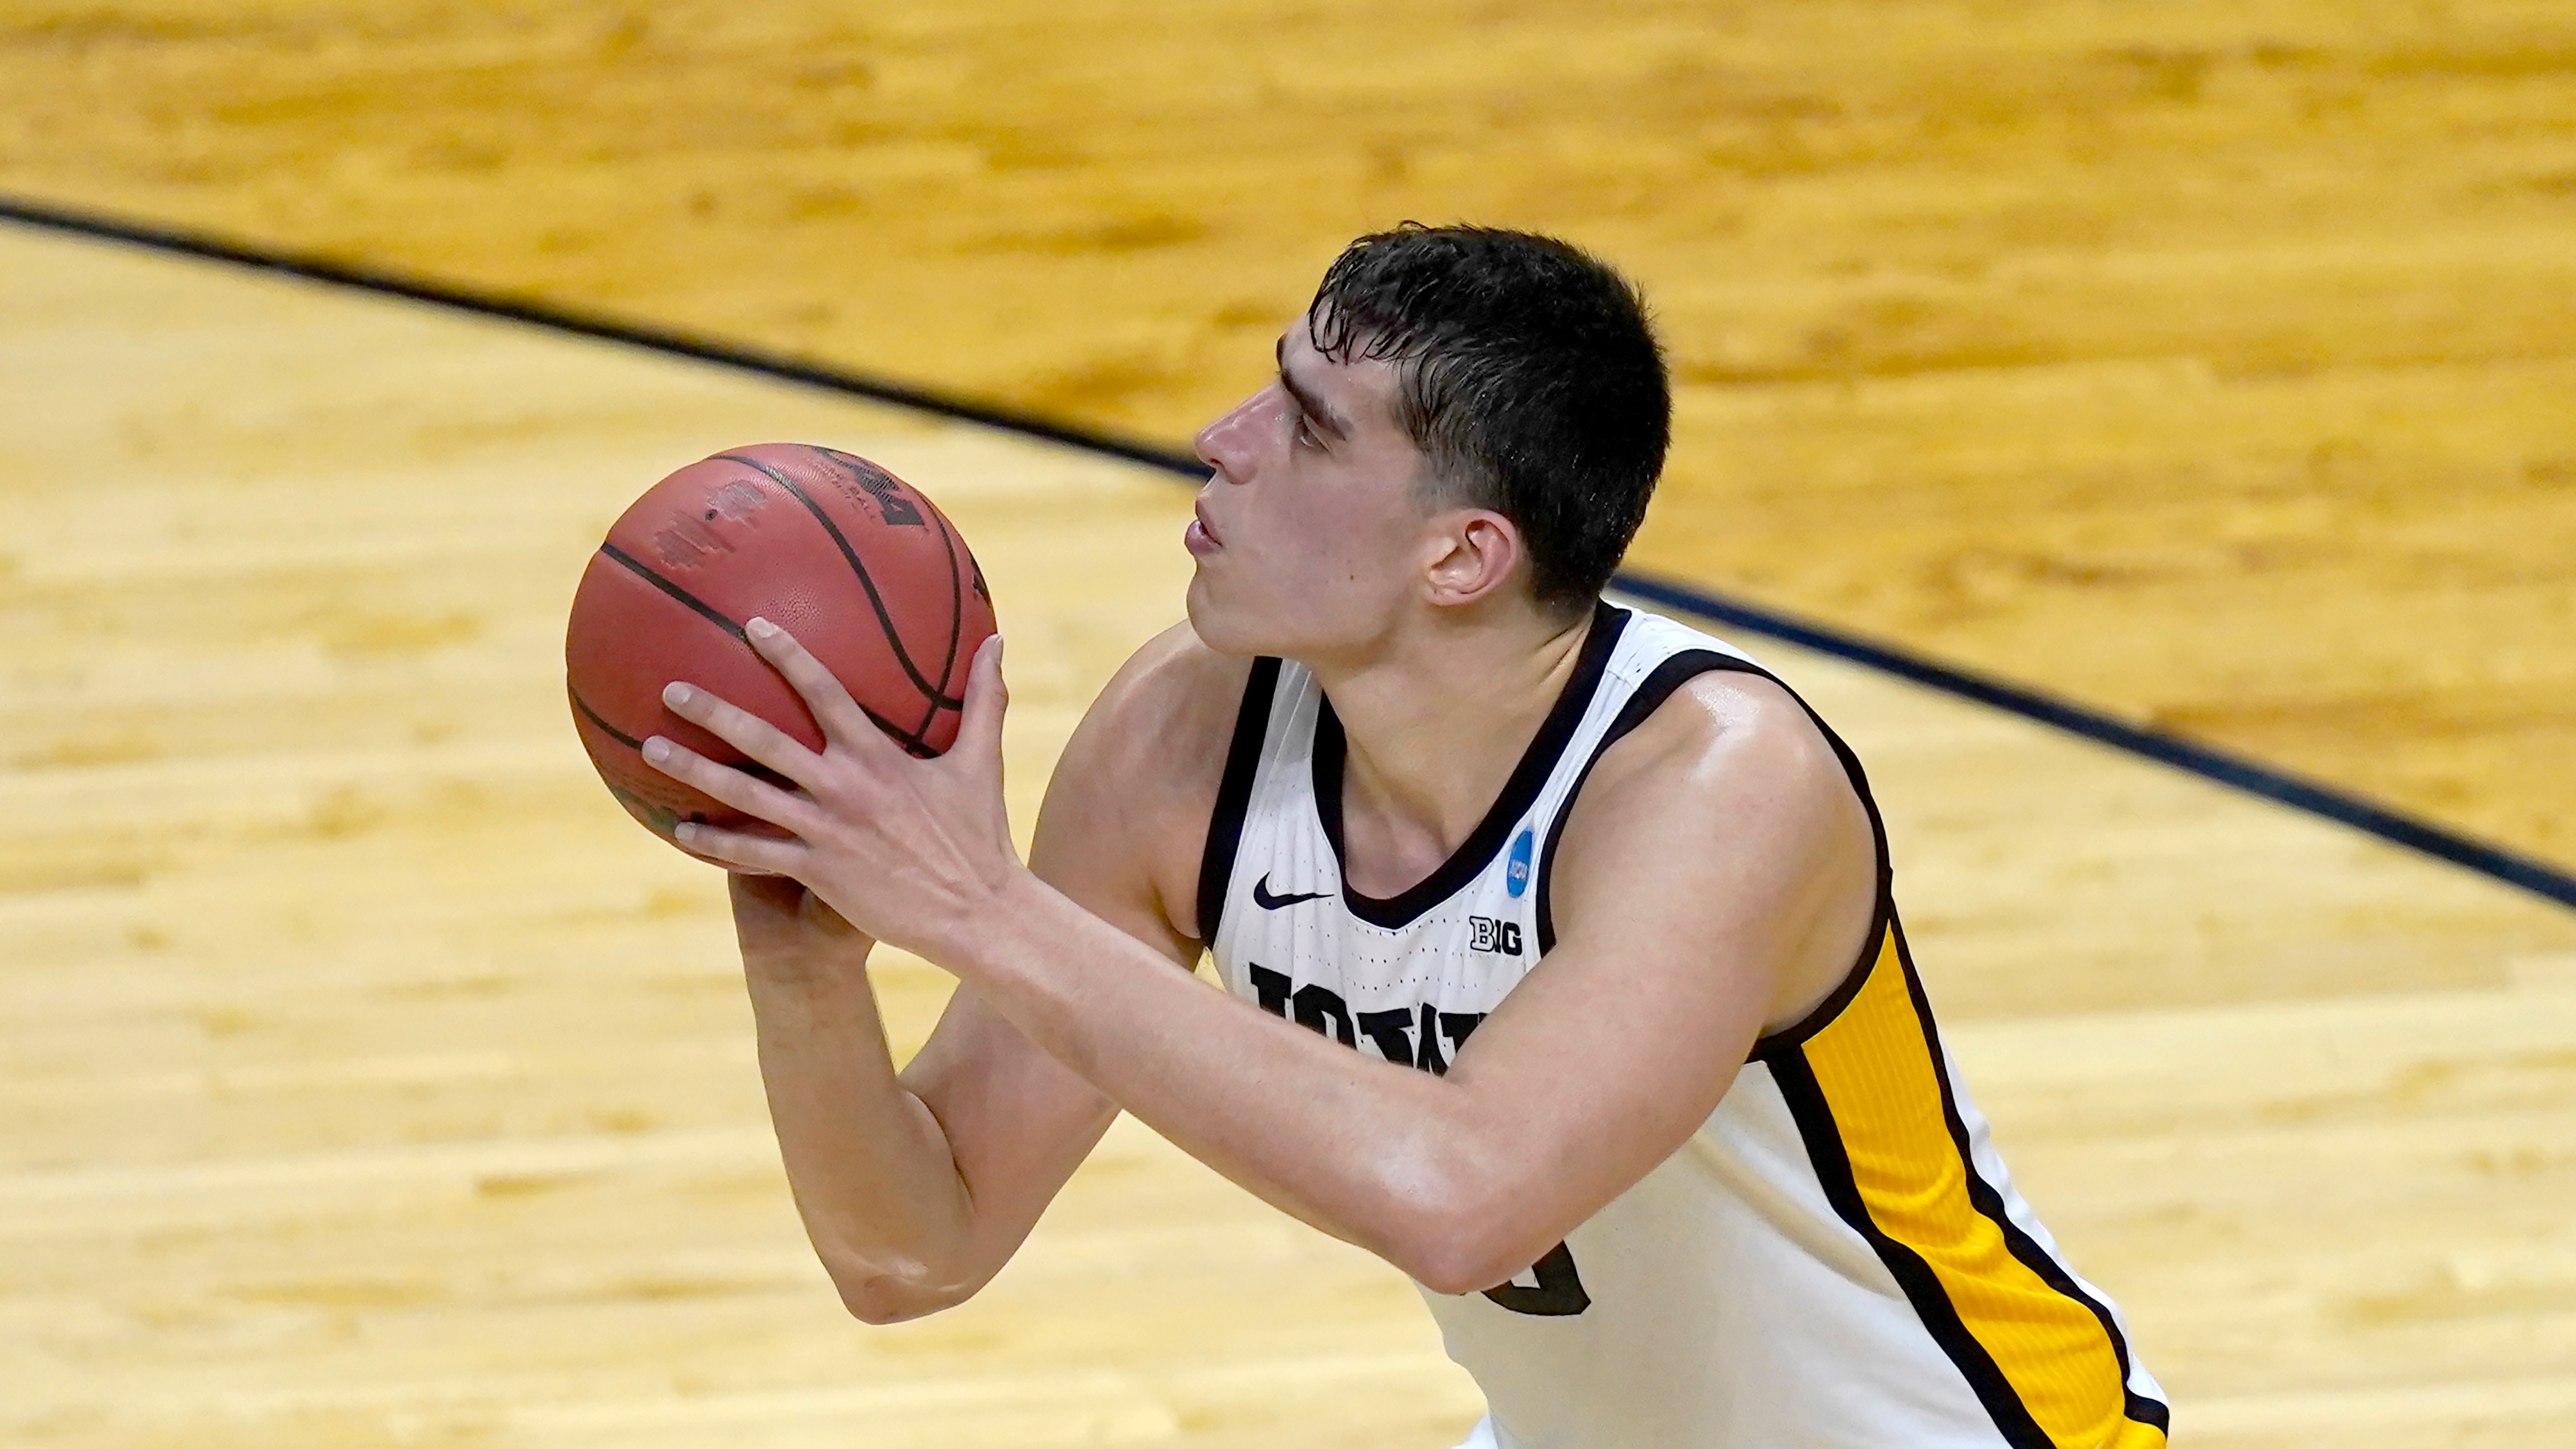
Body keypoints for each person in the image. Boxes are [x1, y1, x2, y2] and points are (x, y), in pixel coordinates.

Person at [636, 224, 2169, 1448]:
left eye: (1304, 430)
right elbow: (915, 1251)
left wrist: (978, 905)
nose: (1218, 439)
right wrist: (808, 964)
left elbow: (1464, 1200)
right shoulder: (1184, 738)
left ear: (1462, 555)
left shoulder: (1715, 786)